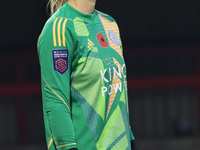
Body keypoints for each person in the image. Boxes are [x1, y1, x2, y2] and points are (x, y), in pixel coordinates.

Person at [37, 0, 136, 149]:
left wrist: (131, 140)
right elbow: (56, 101)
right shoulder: (58, 29)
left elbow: (117, 94)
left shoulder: (110, 24)